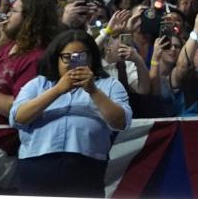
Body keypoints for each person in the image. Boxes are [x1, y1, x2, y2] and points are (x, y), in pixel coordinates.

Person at [9, 29, 132, 197]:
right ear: (56, 58)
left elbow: (121, 122)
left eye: (81, 56)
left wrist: (93, 91)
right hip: (36, 165)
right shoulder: (38, 84)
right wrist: (58, 90)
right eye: (67, 57)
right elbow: (17, 118)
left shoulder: (109, 85)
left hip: (86, 166)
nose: (73, 62)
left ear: (91, 58)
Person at [0, 0, 61, 125]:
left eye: (13, 11)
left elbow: (18, 108)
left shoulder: (36, 58)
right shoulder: (8, 46)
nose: (8, 15)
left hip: (0, 134)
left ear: (30, 18)